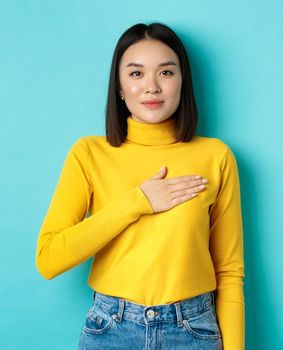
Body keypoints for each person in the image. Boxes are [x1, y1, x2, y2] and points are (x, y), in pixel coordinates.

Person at [35, 22, 245, 350]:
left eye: (166, 72)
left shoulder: (216, 156)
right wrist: (136, 202)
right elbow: (48, 259)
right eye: (136, 74)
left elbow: (230, 273)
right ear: (119, 87)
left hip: (193, 330)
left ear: (182, 82)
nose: (152, 87)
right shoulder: (89, 153)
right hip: (111, 329)